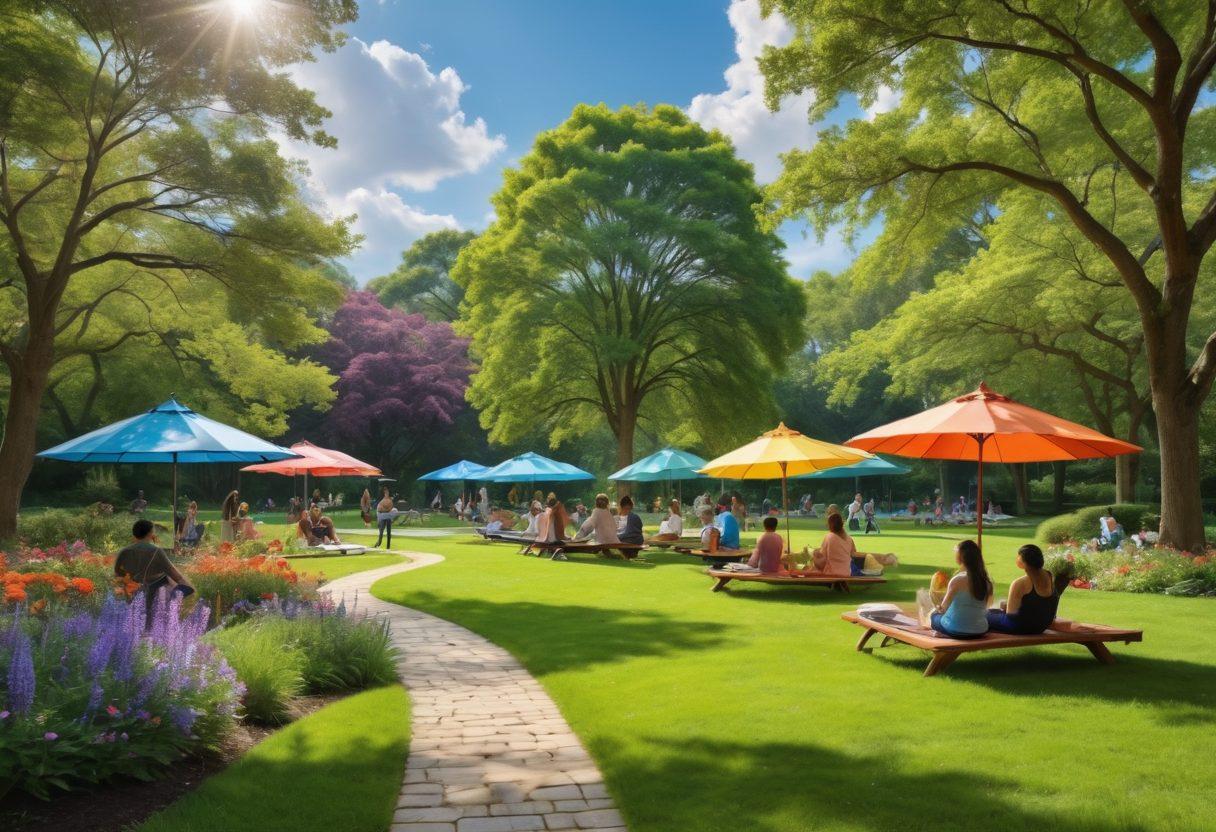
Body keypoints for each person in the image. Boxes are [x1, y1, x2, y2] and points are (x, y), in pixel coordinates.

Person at [115, 519, 193, 624]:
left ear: (135, 533)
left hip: (132, 593)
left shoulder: (124, 552)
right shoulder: (156, 551)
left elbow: (118, 574)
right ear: (150, 533)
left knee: (134, 623)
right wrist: (187, 588)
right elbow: (173, 573)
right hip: (154, 593)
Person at [986, 544, 1059, 635]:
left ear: (1023, 561)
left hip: (1021, 627)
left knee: (984, 614)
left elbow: (1011, 614)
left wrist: (1004, 606)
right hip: (1042, 626)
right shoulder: (1049, 575)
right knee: (994, 612)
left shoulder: (1020, 583)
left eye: (1018, 556)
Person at [927, 540, 993, 639]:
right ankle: (948, 633)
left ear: (960, 557)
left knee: (934, 616)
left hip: (956, 629)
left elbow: (943, 609)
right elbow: (985, 608)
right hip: (980, 630)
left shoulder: (958, 580)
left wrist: (936, 605)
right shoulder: (987, 582)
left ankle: (946, 634)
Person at [805, 512, 857, 576]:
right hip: (846, 574)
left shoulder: (830, 537)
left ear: (831, 525)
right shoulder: (849, 539)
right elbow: (852, 552)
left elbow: (820, 565)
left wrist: (814, 557)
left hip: (832, 575)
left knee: (810, 570)